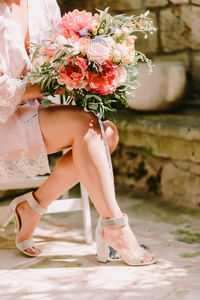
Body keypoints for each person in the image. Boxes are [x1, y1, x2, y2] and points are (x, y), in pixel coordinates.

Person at [0, 0, 156, 266]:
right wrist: (58, 83)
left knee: (106, 134)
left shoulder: (43, 4)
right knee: (86, 126)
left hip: (29, 108)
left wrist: (93, 70)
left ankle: (33, 206)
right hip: (3, 118)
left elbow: (59, 56)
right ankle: (115, 227)